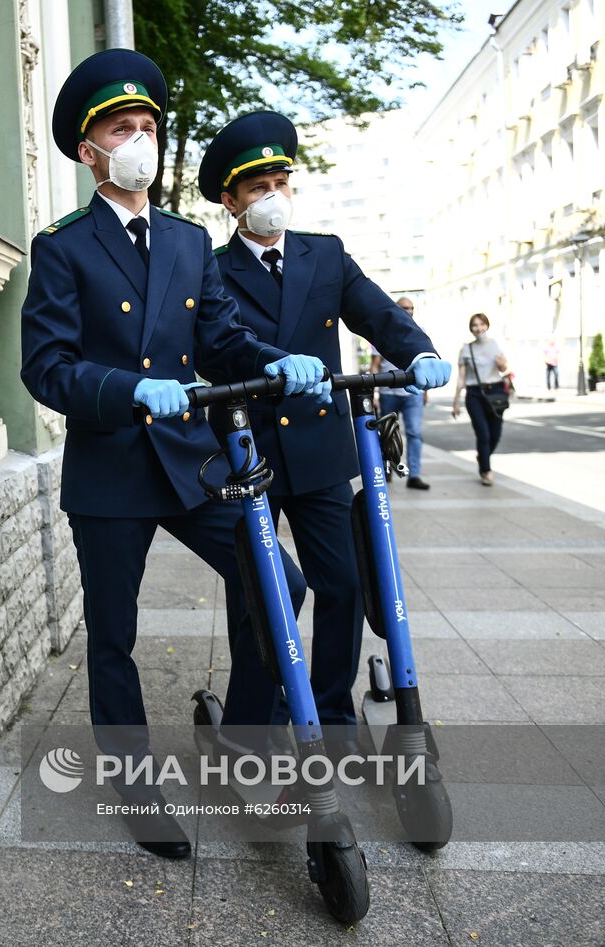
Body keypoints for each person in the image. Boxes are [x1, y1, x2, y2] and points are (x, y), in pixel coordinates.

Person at [19, 51, 331, 860]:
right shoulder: (63, 245)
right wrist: (123, 387)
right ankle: (135, 785)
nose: (140, 141)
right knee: (114, 636)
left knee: (278, 581)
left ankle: (246, 742)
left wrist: (270, 362)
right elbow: (45, 367)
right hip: (112, 469)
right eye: (123, 129)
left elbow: (220, 338)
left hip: (191, 461)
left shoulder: (190, 241)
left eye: (149, 126)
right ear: (89, 151)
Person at [196, 111, 453, 754]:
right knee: (259, 591)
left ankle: (334, 714)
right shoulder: (211, 269)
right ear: (230, 201)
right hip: (247, 450)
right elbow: (214, 347)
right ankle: (255, 723)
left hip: (318, 449)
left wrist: (417, 351)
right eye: (257, 188)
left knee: (342, 586)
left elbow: (376, 312)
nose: (273, 197)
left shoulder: (326, 253)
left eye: (281, 181)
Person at [371, 297, 430, 490]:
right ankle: (388, 469)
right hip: (388, 393)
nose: (409, 311)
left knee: (414, 433)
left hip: (413, 394)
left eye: (412, 308)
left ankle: (414, 475)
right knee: (386, 435)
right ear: (396, 308)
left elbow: (425, 363)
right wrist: (372, 393)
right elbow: (375, 365)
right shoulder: (382, 333)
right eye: (405, 308)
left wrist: (426, 390)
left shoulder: (420, 332)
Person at [451, 313, 509, 485]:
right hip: (475, 394)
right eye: (475, 325)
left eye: (482, 324)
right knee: (483, 434)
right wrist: (456, 402)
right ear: (471, 329)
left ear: (487, 326)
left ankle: (482, 456)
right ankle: (486, 470)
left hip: (496, 391)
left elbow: (504, 368)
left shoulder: (495, 344)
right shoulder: (466, 349)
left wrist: (502, 364)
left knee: (495, 435)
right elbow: (461, 377)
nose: (479, 328)